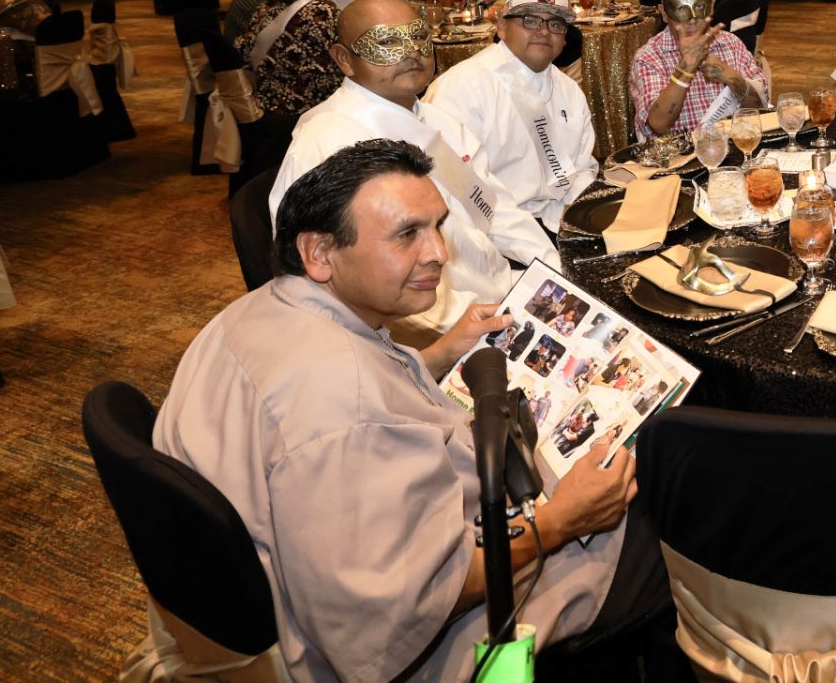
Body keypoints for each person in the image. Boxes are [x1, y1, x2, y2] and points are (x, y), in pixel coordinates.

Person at [154, 139, 667, 683]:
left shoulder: (254, 312)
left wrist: (442, 351)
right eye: (406, 234)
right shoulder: (344, 407)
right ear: (319, 253)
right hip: (397, 638)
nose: (438, 253)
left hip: (292, 582)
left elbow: (355, 395)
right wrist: (563, 521)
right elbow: (404, 602)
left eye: (437, 226)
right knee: (660, 521)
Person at [269, 0, 555, 332]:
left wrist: (553, 270)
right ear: (345, 59)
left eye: (418, 36)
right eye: (387, 41)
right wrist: (487, 322)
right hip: (427, 334)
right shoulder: (329, 145)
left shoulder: (436, 121)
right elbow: (361, 290)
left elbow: (493, 206)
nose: (411, 51)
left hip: (494, 292)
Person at [425, 0, 598, 241]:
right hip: (494, 235)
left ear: (564, 38)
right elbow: (463, 193)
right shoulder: (463, 87)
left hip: (560, 220)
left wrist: (576, 222)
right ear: (502, 27)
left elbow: (584, 167)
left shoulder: (569, 90)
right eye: (530, 20)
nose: (543, 31)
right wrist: (540, 250)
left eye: (555, 25)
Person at [630, 0, 767, 138]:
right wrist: (686, 67)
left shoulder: (730, 44)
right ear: (664, 13)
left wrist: (729, 75)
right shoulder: (649, 57)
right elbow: (658, 124)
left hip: (734, 148)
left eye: (700, 6)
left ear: (711, 5)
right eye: (681, 9)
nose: (693, 18)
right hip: (679, 157)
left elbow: (760, 108)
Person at [236, 0, 342, 117]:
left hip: (266, 110)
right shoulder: (325, 13)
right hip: (311, 114)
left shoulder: (264, 10)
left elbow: (246, 55)